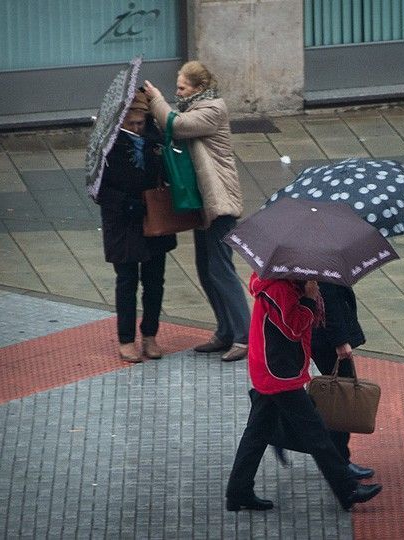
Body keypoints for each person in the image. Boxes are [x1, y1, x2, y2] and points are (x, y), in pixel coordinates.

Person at [225, 273, 382, 511]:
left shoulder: (278, 283)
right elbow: (293, 328)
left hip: (273, 367)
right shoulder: (279, 289)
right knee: (316, 431)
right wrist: (309, 299)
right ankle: (347, 489)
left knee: (257, 432)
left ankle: (238, 490)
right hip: (278, 372)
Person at [142, 61, 250, 363]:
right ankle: (226, 331)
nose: (177, 92)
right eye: (176, 87)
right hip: (202, 203)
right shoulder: (192, 107)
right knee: (205, 268)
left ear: (199, 88)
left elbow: (176, 125)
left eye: (182, 88)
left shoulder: (213, 110)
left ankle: (243, 335)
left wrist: (156, 100)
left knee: (220, 268)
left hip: (220, 203)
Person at [97, 91, 177, 362]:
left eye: (140, 123)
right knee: (127, 280)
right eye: (129, 124)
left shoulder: (155, 139)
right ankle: (126, 339)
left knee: (155, 281)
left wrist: (155, 146)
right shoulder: (107, 145)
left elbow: (168, 172)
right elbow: (99, 189)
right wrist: (125, 204)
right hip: (123, 222)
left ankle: (150, 335)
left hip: (154, 217)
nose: (135, 129)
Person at [311, 282, 375, 480]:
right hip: (327, 340)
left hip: (319, 336)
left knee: (337, 396)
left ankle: (338, 459)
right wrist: (340, 341)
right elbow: (329, 299)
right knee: (341, 398)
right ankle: (340, 462)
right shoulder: (321, 259)